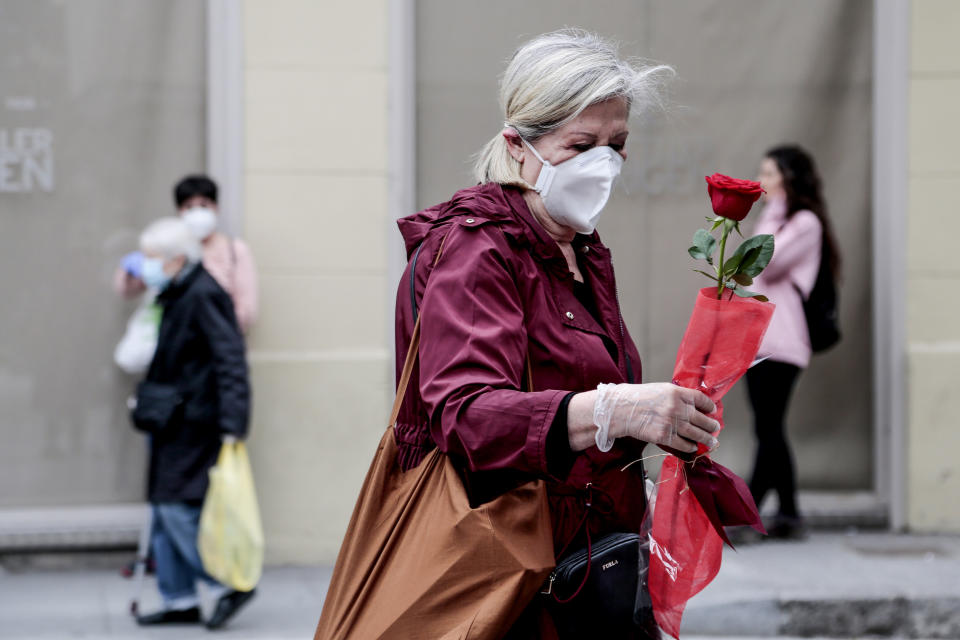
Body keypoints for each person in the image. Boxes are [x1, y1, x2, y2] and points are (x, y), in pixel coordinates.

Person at [392, 30, 719, 638]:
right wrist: (616, 409)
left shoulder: (579, 251)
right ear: (518, 145)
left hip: (591, 563)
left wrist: (657, 422)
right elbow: (465, 415)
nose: (604, 162)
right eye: (581, 144)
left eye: (617, 144)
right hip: (511, 573)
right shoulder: (477, 250)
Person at [132, 217, 255, 629]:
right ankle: (179, 597)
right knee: (164, 507)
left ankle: (227, 583)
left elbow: (230, 359)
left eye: (152, 259)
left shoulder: (202, 293)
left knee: (174, 505)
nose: (147, 266)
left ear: (177, 259)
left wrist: (234, 422)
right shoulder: (176, 291)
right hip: (172, 418)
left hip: (196, 420)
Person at [747, 144, 842, 539]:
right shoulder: (780, 219)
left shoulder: (804, 223)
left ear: (789, 177)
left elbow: (762, 264)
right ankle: (788, 513)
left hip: (783, 343)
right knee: (769, 428)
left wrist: (774, 211)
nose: (761, 180)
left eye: (769, 173)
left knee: (769, 429)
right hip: (760, 341)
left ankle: (746, 510)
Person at [115, 174, 259, 333]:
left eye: (204, 205)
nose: (197, 212)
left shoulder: (235, 249)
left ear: (216, 208)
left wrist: (217, 333)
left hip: (213, 343)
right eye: (189, 206)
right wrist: (130, 271)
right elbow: (129, 290)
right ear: (179, 211)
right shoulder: (167, 245)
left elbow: (247, 309)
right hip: (173, 339)